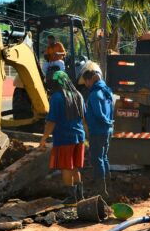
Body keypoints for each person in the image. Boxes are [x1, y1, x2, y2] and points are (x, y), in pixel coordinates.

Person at [39, 70, 86, 205]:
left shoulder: (57, 97)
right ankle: (79, 196)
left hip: (64, 137)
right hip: (80, 136)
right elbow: (84, 118)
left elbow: (51, 121)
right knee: (75, 167)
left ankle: (71, 198)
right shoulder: (78, 95)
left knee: (66, 167)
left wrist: (43, 138)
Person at [81, 61, 113, 198]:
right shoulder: (106, 90)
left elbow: (99, 114)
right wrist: (109, 123)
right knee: (104, 158)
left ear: (90, 80)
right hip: (107, 130)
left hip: (98, 131)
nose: (85, 85)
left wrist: (104, 122)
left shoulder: (94, 94)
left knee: (97, 159)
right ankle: (108, 186)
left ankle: (101, 190)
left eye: (86, 82)